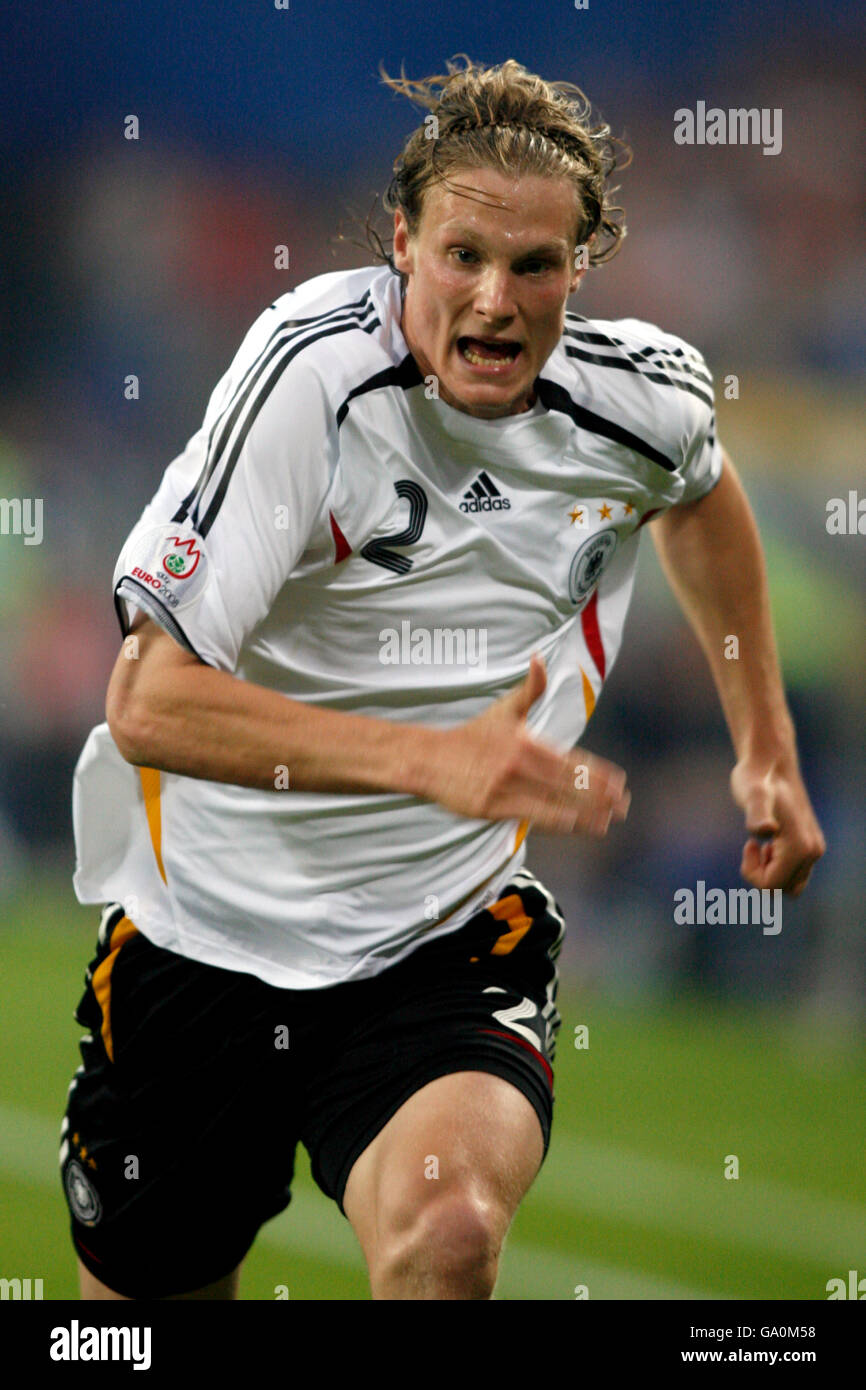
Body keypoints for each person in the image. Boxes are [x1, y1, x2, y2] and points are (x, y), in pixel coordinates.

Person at [60, 55, 825, 1301]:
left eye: (535, 266)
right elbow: (148, 702)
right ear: (401, 243)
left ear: (579, 268)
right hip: (197, 938)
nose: (496, 297)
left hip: (439, 942)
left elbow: (700, 493)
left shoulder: (635, 399)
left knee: (449, 1233)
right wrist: (435, 759)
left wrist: (765, 751)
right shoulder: (309, 378)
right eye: (462, 255)